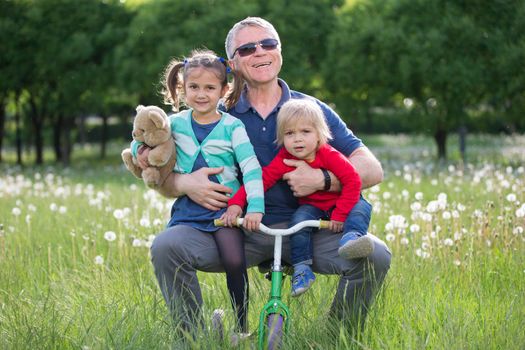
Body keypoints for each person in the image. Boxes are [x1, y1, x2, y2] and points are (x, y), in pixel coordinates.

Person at [143, 17, 391, 335]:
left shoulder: (309, 110)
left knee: (376, 255)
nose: (260, 51)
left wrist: (323, 180)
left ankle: (336, 337)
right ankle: (194, 338)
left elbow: (372, 168)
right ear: (232, 64)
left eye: (268, 43)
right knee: (167, 247)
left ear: (280, 50)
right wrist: (184, 182)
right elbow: (159, 172)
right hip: (236, 228)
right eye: (247, 48)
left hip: (308, 228)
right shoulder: (212, 113)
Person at [132, 49, 264, 334]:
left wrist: (254, 207)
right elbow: (143, 138)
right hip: (188, 212)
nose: (201, 94)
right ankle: (191, 329)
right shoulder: (175, 123)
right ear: (182, 88)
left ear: (223, 90)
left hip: (225, 211)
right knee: (171, 250)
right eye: (193, 87)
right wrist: (139, 151)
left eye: (209, 88)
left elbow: (251, 167)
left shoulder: (232, 126)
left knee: (234, 260)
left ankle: (241, 327)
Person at [221, 99, 375, 297]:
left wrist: (340, 214)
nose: (297, 139)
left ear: (320, 134)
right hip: (314, 206)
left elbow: (353, 181)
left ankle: (351, 239)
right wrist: (235, 204)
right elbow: (259, 181)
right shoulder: (285, 158)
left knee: (361, 209)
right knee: (299, 222)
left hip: (342, 202)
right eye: (289, 133)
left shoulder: (329, 155)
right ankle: (302, 270)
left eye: (305, 132)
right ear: (281, 137)